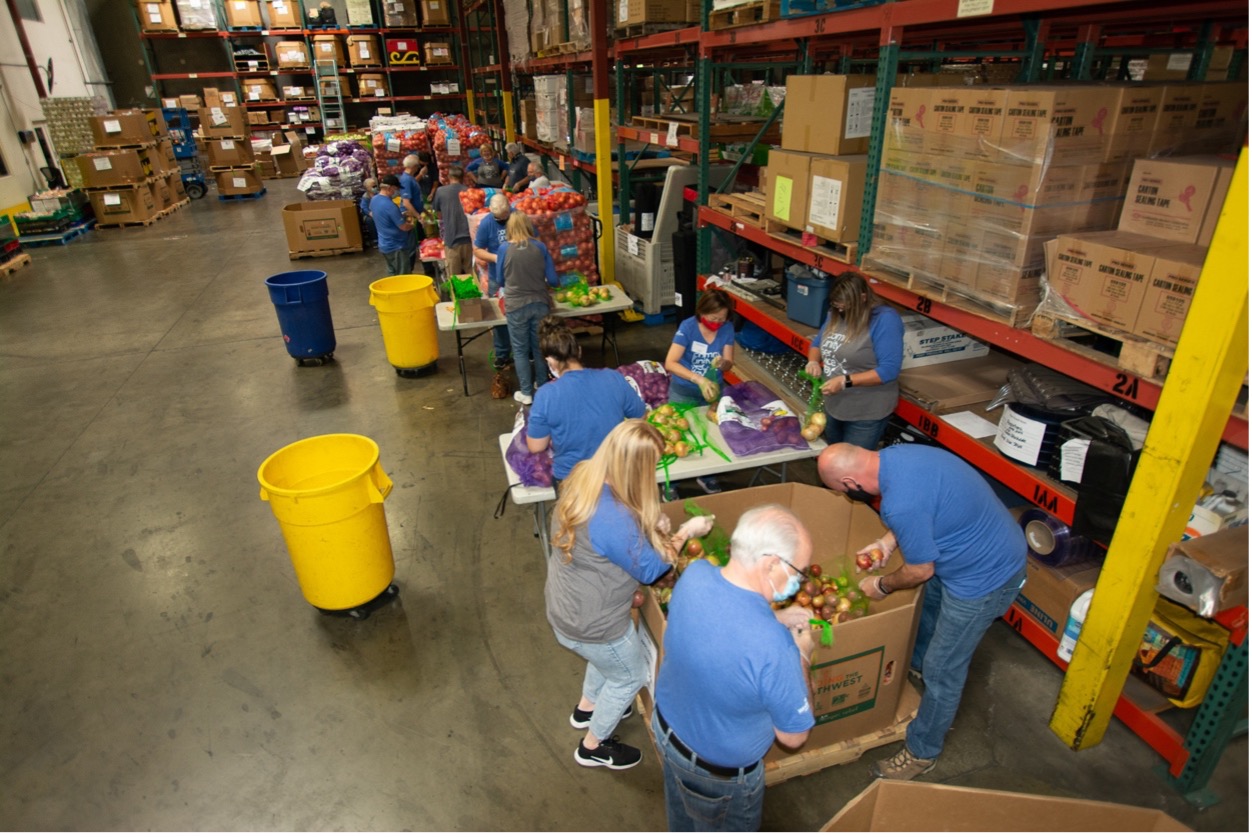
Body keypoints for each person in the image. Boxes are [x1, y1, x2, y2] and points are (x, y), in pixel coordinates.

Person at [816, 442, 1027, 781]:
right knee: (928, 612)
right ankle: (916, 668)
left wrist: (881, 585)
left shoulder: (900, 505)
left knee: (943, 668)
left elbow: (920, 571)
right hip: (970, 549)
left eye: (840, 490)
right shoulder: (899, 457)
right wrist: (886, 543)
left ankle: (921, 751)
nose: (845, 494)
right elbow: (924, 507)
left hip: (985, 578)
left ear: (850, 481)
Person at [547, 419, 716, 770]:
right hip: (594, 622)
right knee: (630, 674)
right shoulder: (612, 518)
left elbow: (612, 539)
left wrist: (649, 526)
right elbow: (655, 569)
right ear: (635, 468)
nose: (655, 472)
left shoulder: (584, 475)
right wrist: (686, 531)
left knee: (609, 660)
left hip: (569, 605)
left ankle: (587, 707)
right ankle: (594, 745)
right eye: (651, 466)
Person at [651, 504, 815, 830]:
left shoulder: (694, 575)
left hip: (668, 732)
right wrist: (803, 655)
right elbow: (794, 737)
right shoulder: (775, 649)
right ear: (771, 564)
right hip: (718, 779)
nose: (799, 580)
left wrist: (775, 618)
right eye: (799, 571)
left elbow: (714, 628)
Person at [527, 317, 647, 488]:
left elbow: (536, 446)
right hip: (617, 474)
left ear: (550, 361)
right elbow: (641, 417)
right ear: (580, 351)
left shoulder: (546, 395)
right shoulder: (612, 377)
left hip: (573, 480)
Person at [803, 271, 904, 450]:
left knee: (850, 465)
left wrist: (845, 381)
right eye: (837, 306)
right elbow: (818, 342)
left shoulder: (884, 320)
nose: (841, 311)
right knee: (833, 457)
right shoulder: (835, 313)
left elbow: (888, 370)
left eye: (845, 307)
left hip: (865, 410)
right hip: (835, 405)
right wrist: (813, 361)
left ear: (863, 298)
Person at [664, 287, 735, 494]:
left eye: (722, 319)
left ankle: (707, 476)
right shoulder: (687, 328)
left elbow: (730, 361)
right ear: (702, 312)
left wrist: (723, 364)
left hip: (712, 392)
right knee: (678, 434)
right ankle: (672, 483)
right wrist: (698, 379)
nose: (717, 323)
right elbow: (670, 362)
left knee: (711, 434)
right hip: (684, 390)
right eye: (713, 318)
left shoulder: (727, 328)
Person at [498, 212, 558, 405]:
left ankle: (525, 393)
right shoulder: (540, 247)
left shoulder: (504, 249)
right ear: (529, 227)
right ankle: (541, 385)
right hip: (540, 303)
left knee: (520, 350)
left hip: (516, 306)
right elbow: (554, 280)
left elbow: (499, 280)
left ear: (510, 229)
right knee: (539, 347)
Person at [472, 192, 514, 370]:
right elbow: (478, 250)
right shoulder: (487, 224)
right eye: (499, 218)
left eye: (505, 216)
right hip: (497, 278)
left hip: (518, 276)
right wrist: (496, 258)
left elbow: (534, 240)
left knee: (521, 315)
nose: (503, 220)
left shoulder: (518, 218)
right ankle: (502, 353)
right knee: (499, 318)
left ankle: (527, 351)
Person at [369, 175, 415, 276]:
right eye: (396, 189)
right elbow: (403, 227)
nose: (396, 192)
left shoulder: (374, 200)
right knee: (403, 275)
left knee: (392, 273)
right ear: (389, 188)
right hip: (396, 246)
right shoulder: (390, 205)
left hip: (384, 245)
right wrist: (412, 224)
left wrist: (400, 215)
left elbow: (375, 214)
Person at [431, 165, 473, 275]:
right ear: (463, 178)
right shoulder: (469, 191)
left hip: (451, 240)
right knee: (472, 274)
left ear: (449, 177)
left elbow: (438, 214)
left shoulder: (441, 191)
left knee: (454, 277)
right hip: (470, 239)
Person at [358, 177, 378, 248]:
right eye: (372, 186)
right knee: (370, 221)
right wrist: (370, 213)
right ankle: (375, 240)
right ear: (367, 187)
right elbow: (364, 208)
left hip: (379, 212)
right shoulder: (365, 197)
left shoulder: (378, 194)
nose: (374, 187)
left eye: (375, 185)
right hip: (370, 215)